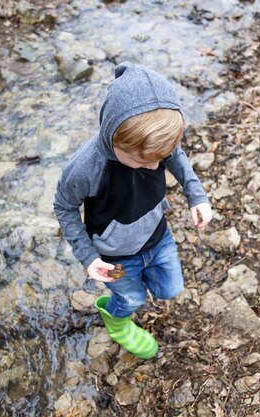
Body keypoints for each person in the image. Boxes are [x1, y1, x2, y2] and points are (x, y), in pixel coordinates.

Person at [53, 62, 212, 359]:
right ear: (114, 138)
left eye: (159, 158)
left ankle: (144, 282)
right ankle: (116, 321)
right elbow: (64, 206)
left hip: (157, 236)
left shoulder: (156, 147)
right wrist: (88, 256)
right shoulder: (85, 169)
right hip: (115, 253)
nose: (155, 167)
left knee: (169, 289)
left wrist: (196, 195)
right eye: (143, 161)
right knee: (132, 298)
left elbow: (175, 156)